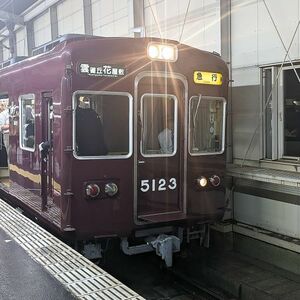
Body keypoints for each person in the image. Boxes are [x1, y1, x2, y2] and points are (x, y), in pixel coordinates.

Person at [0, 102, 9, 166]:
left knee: (10, 154)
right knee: (10, 154)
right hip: (9, 135)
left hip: (9, 134)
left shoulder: (4, 113)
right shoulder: (3, 114)